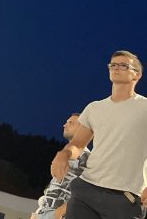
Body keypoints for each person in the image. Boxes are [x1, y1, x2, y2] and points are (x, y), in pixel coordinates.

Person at [50, 50, 147, 219]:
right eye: (113, 65)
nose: (116, 68)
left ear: (137, 75)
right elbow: (78, 144)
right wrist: (64, 154)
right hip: (86, 190)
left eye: (123, 65)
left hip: (125, 197)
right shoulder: (94, 108)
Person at [32, 114, 90, 219]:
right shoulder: (65, 155)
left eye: (71, 122)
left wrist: (60, 212)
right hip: (45, 213)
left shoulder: (87, 158)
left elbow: (86, 192)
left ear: (82, 129)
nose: (64, 125)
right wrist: (39, 212)